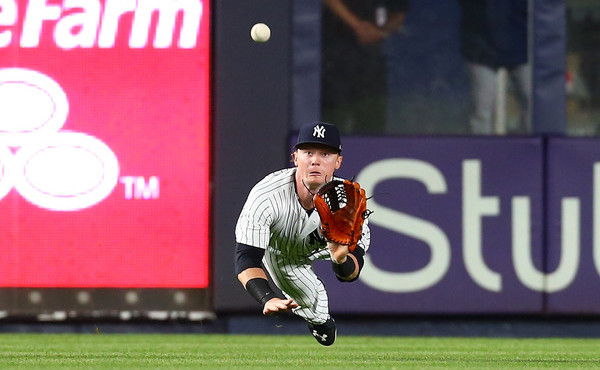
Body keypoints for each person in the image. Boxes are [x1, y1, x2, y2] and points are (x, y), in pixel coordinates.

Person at [234, 121, 370, 346]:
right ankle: (319, 322)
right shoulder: (266, 196)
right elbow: (245, 257)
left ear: (338, 161)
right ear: (295, 157)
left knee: (340, 261)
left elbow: (351, 274)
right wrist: (267, 297)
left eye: (325, 154)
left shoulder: (349, 205)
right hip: (284, 254)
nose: (315, 160)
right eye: (308, 152)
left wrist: (340, 260)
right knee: (311, 304)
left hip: (322, 248)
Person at [321, 0, 410, 134]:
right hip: (333, 59)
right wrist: (356, 25)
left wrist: (380, 32)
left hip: (371, 62)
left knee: (371, 121)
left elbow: (398, 14)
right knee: (332, 124)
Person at [458, 0, 530, 135]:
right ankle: (480, 152)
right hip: (480, 46)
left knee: (531, 101)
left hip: (521, 43)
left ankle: (528, 151)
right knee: (481, 108)